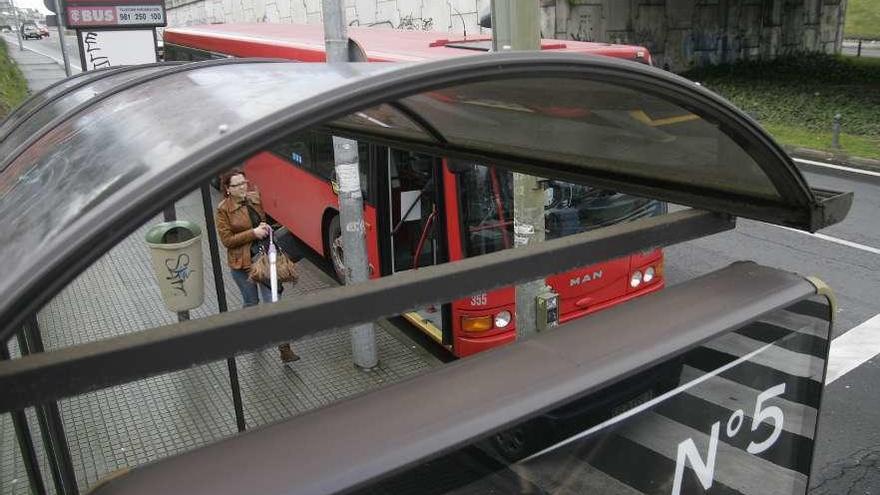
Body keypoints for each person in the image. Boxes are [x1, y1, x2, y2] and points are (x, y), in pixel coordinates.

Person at [216, 168, 299, 363]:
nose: (242, 187)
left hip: (264, 261)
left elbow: (263, 221)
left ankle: (284, 348)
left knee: (273, 303)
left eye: (244, 182)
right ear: (228, 189)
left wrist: (265, 227)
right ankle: (254, 338)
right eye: (237, 185)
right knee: (251, 304)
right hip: (242, 264)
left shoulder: (254, 198)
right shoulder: (223, 209)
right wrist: (253, 233)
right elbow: (227, 240)